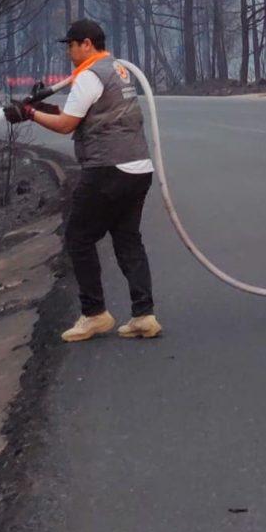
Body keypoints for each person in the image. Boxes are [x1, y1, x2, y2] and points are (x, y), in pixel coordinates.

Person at [14, 20, 161, 342]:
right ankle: (144, 316)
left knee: (78, 238)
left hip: (107, 169)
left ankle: (94, 314)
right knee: (127, 239)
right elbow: (97, 114)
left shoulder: (90, 76)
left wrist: (30, 114)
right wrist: (44, 108)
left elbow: (67, 124)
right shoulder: (117, 70)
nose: (68, 51)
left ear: (86, 44)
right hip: (138, 168)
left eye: (70, 45)